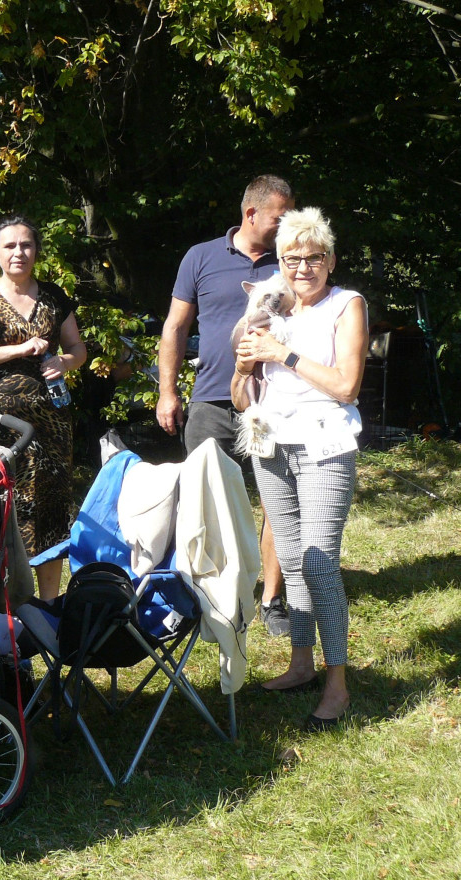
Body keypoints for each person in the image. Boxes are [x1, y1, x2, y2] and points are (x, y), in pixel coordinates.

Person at [231, 207, 366, 731]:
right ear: (280, 263)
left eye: (313, 258)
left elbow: (346, 386)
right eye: (292, 259)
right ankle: (301, 663)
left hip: (325, 446)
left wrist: (281, 354)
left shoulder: (346, 305)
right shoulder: (269, 310)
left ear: (329, 260)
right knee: (289, 560)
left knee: (317, 562)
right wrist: (245, 367)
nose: (303, 268)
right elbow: (243, 401)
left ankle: (338, 684)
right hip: (272, 447)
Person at [156, 175, 293, 637]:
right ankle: (207, 599)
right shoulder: (201, 256)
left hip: (277, 398)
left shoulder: (292, 259)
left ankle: (272, 600)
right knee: (203, 501)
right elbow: (175, 328)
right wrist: (167, 392)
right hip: (212, 397)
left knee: (278, 501)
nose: (286, 225)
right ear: (251, 214)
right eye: (280, 216)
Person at [0, 215, 87, 600]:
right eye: (9, 246)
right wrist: (17, 349)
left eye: (26, 245)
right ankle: (5, 607)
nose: (18, 253)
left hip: (52, 424)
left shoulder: (54, 296)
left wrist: (65, 362)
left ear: (36, 251)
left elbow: (78, 349)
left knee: (50, 509)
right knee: (5, 509)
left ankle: (46, 605)